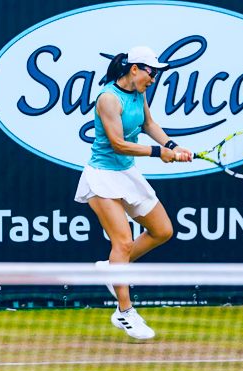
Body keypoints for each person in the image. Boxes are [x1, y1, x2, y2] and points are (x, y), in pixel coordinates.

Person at [74, 46, 192, 339]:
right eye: (152, 72)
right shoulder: (108, 99)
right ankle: (125, 312)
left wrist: (174, 147)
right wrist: (158, 153)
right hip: (102, 176)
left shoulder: (140, 94)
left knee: (163, 230)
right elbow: (118, 144)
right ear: (135, 68)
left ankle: (111, 270)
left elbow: (149, 124)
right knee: (123, 241)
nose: (154, 78)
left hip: (127, 174)